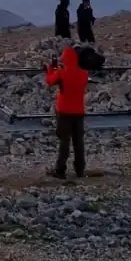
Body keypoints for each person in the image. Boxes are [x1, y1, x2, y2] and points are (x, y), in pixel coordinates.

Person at [45, 44, 88, 178]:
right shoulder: (84, 73)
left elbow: (50, 81)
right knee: (78, 142)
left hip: (64, 111)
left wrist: (51, 69)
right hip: (79, 111)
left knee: (64, 141)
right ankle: (80, 170)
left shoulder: (61, 72)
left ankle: (60, 170)